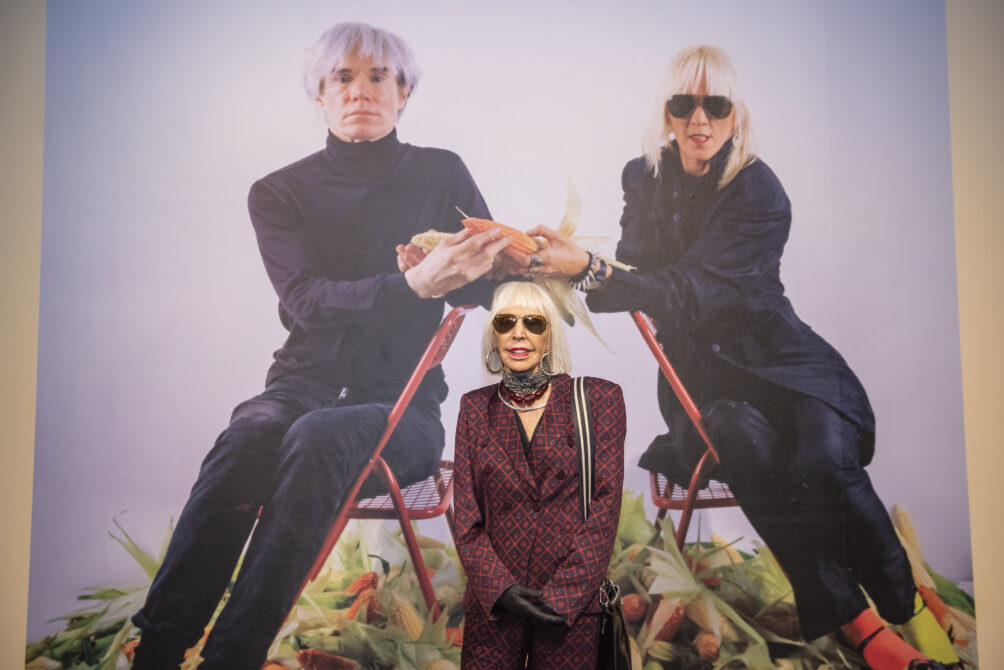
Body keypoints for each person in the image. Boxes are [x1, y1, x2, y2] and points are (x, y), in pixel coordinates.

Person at [520, 46, 959, 670]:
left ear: (736, 114)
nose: (699, 119)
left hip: (789, 367)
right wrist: (550, 265)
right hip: (702, 380)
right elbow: (631, 283)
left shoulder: (758, 189)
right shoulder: (642, 177)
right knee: (742, 442)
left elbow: (687, 291)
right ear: (667, 113)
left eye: (716, 104)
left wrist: (593, 268)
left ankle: (904, 605)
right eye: (683, 103)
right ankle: (869, 631)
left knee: (821, 461)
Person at [130, 22, 513, 670]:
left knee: (317, 436)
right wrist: (412, 283)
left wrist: (497, 266)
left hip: (403, 408)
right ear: (320, 94)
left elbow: (491, 289)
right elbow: (305, 299)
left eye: (378, 76)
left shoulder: (442, 172)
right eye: (343, 77)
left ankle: (231, 658)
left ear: (404, 91)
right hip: (297, 386)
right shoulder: (277, 192)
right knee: (248, 437)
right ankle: (159, 649)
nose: (360, 91)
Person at [452, 281, 626, 670]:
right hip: (494, 610)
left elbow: (605, 506)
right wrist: (500, 589)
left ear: (550, 336)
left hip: (572, 611)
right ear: (493, 336)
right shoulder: (474, 408)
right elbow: (466, 519)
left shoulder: (599, 399)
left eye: (533, 322)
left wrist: (563, 596)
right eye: (506, 322)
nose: (518, 333)